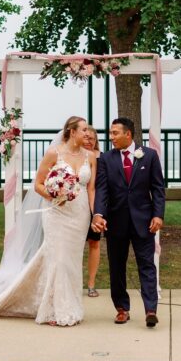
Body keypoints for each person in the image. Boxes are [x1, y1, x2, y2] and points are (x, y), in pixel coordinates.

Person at [0, 116, 96, 327]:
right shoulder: (53, 153)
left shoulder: (90, 156)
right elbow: (39, 184)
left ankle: (71, 305)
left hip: (80, 214)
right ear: (72, 131)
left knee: (72, 261)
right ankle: (55, 310)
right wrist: (55, 194)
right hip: (57, 213)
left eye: (87, 130)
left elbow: (91, 188)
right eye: (83, 130)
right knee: (57, 259)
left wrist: (95, 215)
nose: (87, 133)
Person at [92, 117, 165, 327]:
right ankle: (122, 309)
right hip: (116, 222)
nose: (111, 137)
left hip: (144, 221)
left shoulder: (149, 156)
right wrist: (99, 214)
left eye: (115, 133)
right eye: (111, 133)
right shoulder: (106, 158)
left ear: (128, 134)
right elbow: (102, 190)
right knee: (117, 268)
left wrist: (158, 215)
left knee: (147, 265)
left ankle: (151, 309)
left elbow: (158, 188)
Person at [83, 125, 102, 297]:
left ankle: (91, 284)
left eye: (92, 138)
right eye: (86, 137)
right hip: (77, 205)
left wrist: (96, 211)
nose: (89, 141)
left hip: (97, 206)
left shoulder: (102, 158)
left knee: (94, 243)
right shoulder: (75, 156)